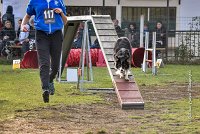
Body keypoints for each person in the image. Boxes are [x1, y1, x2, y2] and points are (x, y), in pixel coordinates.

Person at [21, 0, 67, 103]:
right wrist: (23, 25)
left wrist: (61, 13)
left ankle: (50, 80)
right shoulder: (34, 1)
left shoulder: (59, 1)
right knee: (44, 62)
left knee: (55, 66)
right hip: (41, 35)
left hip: (56, 34)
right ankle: (45, 89)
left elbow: (65, 21)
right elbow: (27, 16)